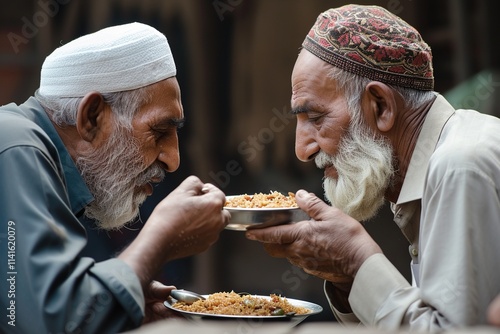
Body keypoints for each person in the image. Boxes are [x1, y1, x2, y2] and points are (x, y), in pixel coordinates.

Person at [245, 4, 500, 331]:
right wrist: (347, 277)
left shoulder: (460, 165)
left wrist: (357, 259)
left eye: (317, 117)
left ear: (380, 106)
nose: (302, 150)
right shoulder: (438, 166)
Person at [0, 22, 230, 333]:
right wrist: (160, 237)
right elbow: (55, 322)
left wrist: (117, 302)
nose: (173, 160)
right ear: (92, 118)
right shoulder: (18, 147)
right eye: (159, 131)